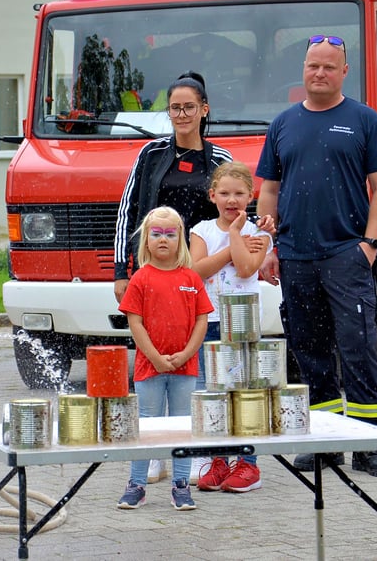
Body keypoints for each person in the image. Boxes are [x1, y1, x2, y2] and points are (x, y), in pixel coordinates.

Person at [255, 34, 377, 477]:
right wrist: (269, 247)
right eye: (312, 66)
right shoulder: (282, 124)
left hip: (346, 253)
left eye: (328, 67)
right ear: (303, 70)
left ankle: (369, 445)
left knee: (357, 348)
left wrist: (369, 246)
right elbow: (269, 190)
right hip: (296, 256)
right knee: (308, 351)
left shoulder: (364, 121)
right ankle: (324, 442)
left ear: (344, 72)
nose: (319, 73)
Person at [113, 71, 231, 484]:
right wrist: (121, 271)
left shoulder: (220, 161)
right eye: (175, 108)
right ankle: (155, 454)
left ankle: (199, 454)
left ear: (204, 110)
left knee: (195, 368)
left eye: (189, 107)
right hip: (153, 278)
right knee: (152, 363)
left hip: (205, 278)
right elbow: (128, 211)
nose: (181, 114)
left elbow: (237, 212)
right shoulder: (150, 155)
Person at [116, 206, 212, 511]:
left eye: (170, 234)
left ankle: (181, 485)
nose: (163, 239)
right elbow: (135, 323)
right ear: (146, 240)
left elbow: (201, 321)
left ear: (180, 240)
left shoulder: (191, 278)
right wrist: (155, 357)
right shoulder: (140, 279)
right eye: (156, 233)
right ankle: (137, 484)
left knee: (182, 425)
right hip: (149, 367)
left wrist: (186, 353)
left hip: (185, 368)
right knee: (147, 426)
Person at [189, 162, 272, 493]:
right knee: (213, 393)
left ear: (251, 196)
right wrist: (230, 245)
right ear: (212, 196)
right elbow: (196, 272)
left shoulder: (259, 233)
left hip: (243, 325)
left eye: (239, 193)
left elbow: (246, 266)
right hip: (208, 323)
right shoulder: (201, 230)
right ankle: (218, 460)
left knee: (244, 392)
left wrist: (237, 233)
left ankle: (248, 465)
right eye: (224, 193)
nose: (231, 199)